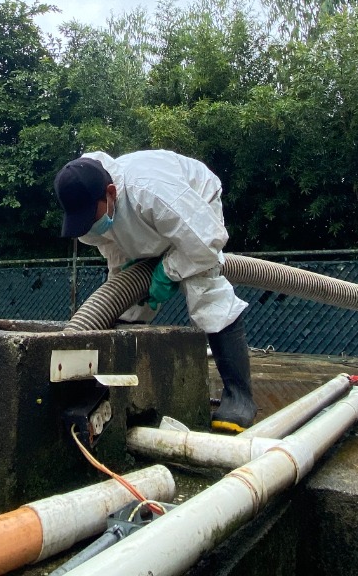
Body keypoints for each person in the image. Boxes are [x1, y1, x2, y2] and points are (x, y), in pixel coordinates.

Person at [54, 150, 257, 432]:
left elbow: (207, 242)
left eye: (93, 216)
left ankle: (240, 398)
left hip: (195, 209)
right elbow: (113, 247)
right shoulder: (91, 211)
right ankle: (120, 394)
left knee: (204, 288)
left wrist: (167, 270)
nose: (89, 223)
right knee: (127, 305)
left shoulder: (151, 191)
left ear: (111, 192)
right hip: (149, 225)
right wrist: (124, 283)